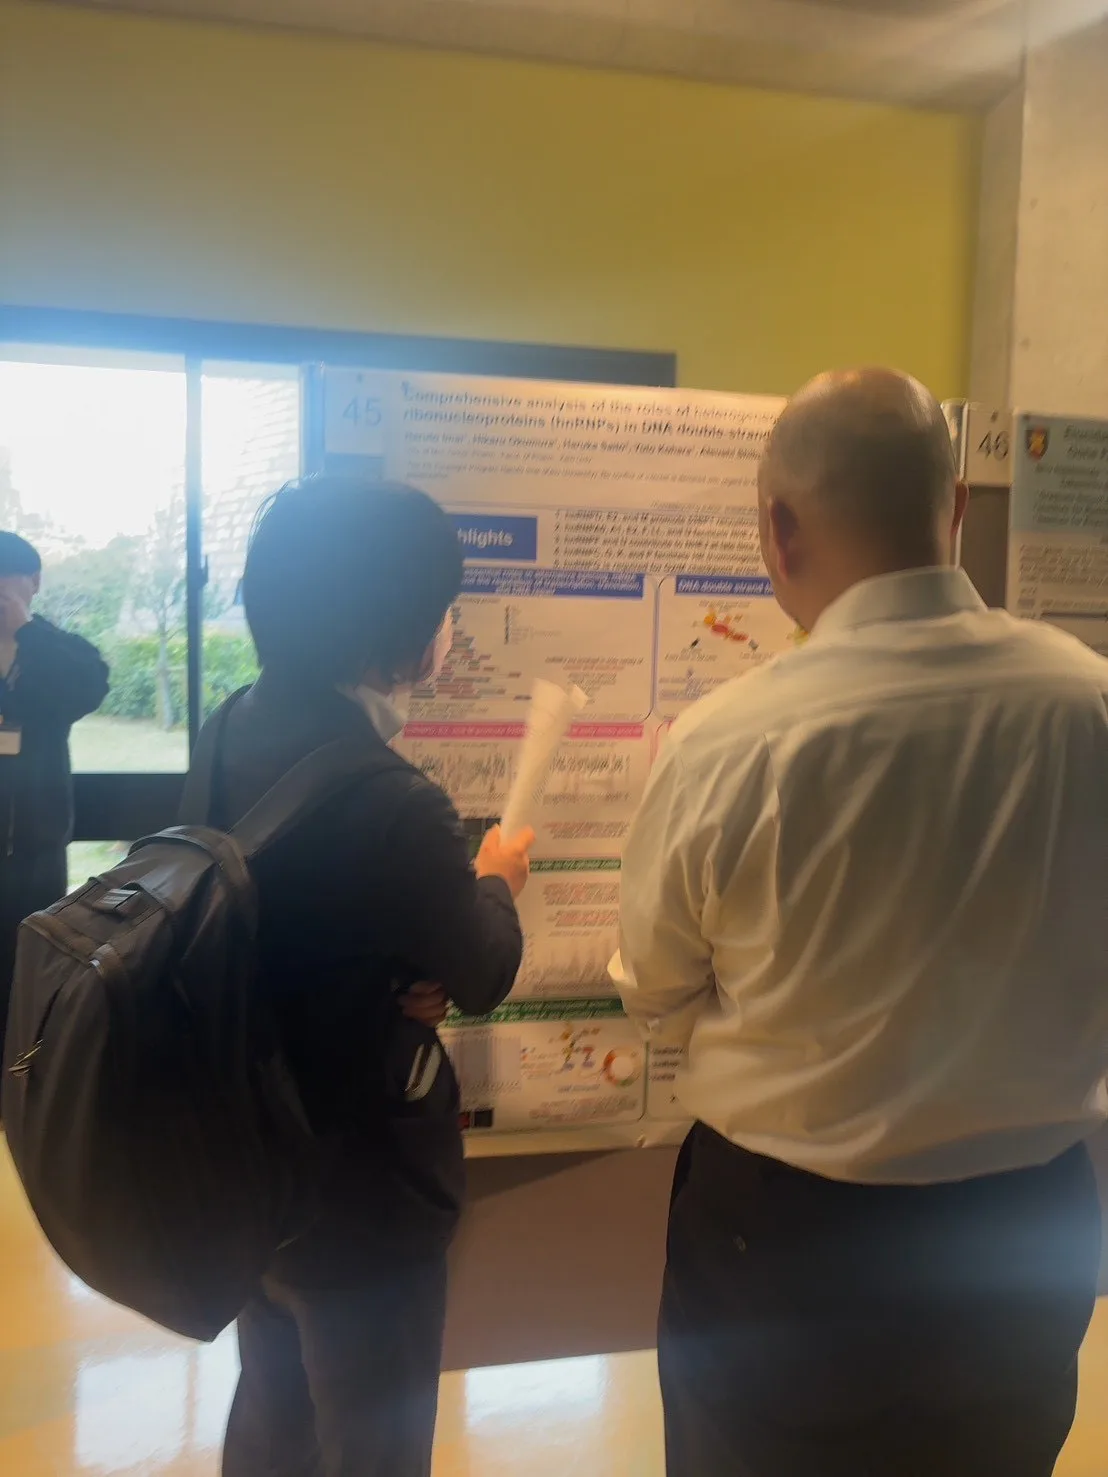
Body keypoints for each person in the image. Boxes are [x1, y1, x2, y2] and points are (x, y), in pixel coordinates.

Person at [611, 369, 1108, 1477]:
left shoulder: (729, 741)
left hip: (789, 1239)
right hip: (1027, 1227)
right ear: (958, 508)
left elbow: (655, 983)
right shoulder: (1091, 702)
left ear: (778, 530)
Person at [208, 476, 532, 1477]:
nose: (447, 630)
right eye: (442, 609)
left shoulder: (230, 727)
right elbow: (482, 969)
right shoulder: (395, 800)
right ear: (399, 631)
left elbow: (277, 923)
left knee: (273, 1419)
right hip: (362, 1193)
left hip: (250, 1159)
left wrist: (391, 974)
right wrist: (496, 879)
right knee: (373, 1441)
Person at [0, 532, 109, 1065]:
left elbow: (88, 688)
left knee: (30, 967)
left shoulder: (57, 650)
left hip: (34, 846)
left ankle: (25, 1075)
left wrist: (24, 628)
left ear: (34, 582)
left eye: (7, 577)